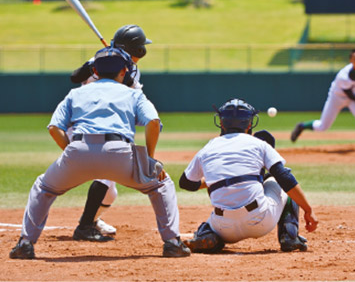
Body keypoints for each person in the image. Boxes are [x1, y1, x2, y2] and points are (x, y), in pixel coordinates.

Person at [9, 46, 190, 259]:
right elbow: (153, 121)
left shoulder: (76, 93)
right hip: (120, 153)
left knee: (43, 187)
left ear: (95, 69)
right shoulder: (133, 94)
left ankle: (25, 244)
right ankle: (172, 243)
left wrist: (72, 153)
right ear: (124, 71)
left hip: (79, 149)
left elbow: (54, 127)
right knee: (161, 184)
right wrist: (150, 159)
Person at [179, 98, 318, 253]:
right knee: (279, 179)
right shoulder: (259, 144)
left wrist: (213, 181)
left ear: (222, 123)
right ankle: (290, 237)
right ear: (250, 123)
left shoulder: (208, 147)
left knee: (211, 223)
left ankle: (209, 235)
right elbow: (285, 178)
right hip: (260, 221)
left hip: (224, 227)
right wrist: (308, 209)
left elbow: (186, 183)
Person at [70, 25, 152, 240]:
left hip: (102, 125)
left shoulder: (129, 68)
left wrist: (115, 62)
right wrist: (97, 64)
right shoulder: (103, 60)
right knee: (106, 174)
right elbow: (75, 76)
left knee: (110, 188)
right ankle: (84, 226)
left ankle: (92, 221)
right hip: (85, 125)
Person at [290, 49, 355, 150]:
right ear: (351, 61)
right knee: (323, 126)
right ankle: (301, 126)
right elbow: (350, 95)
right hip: (337, 97)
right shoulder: (343, 77)